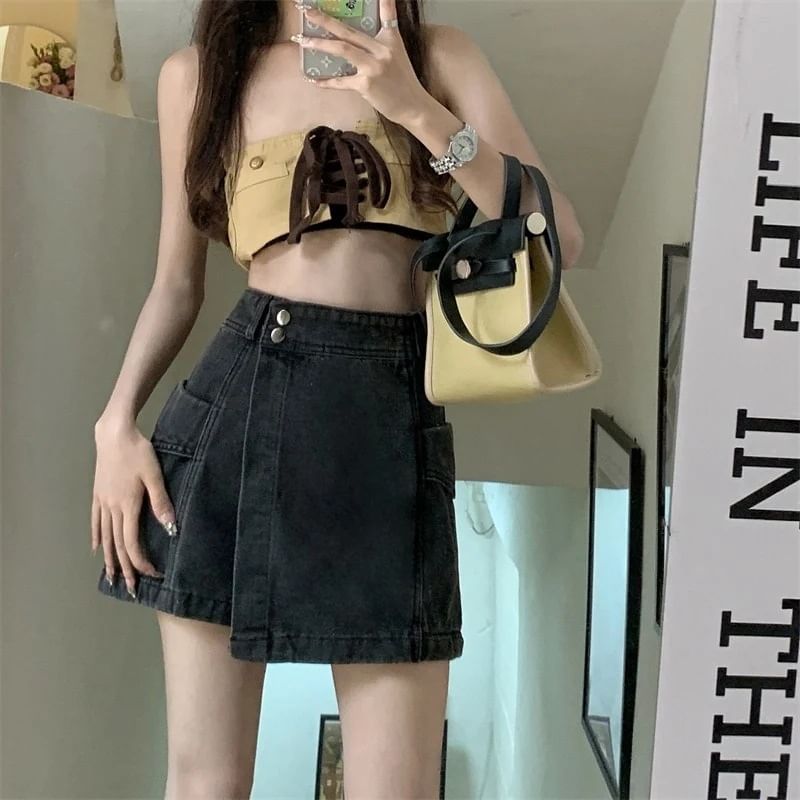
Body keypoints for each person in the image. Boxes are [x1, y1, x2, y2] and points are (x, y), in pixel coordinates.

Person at [91, 0, 584, 797]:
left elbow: (560, 232)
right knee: (206, 783)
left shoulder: (438, 56)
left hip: (390, 428)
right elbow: (176, 285)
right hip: (234, 419)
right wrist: (115, 424)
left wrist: (414, 108)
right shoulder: (199, 76)